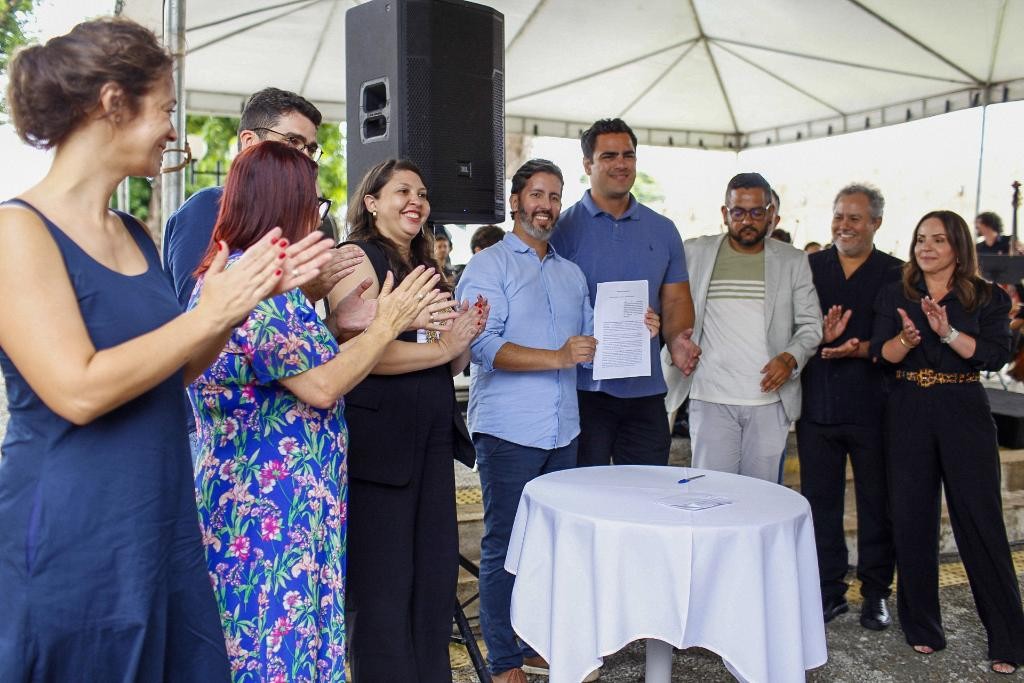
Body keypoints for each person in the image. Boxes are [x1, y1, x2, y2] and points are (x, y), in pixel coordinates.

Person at [0, 18, 331, 681]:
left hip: (160, 517)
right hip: (75, 526)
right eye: (166, 109)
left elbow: (175, 369)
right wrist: (214, 309)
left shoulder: (132, 232)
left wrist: (243, 301)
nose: (174, 131)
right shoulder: (17, 230)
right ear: (113, 104)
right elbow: (78, 389)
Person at [188, 141, 440, 680]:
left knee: (296, 646)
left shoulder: (266, 283)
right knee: (271, 651)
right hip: (266, 510)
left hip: (294, 504)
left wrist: (336, 325)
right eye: (314, 202)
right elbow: (322, 386)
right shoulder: (252, 285)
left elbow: (288, 368)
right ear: (283, 204)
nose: (318, 217)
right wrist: (387, 324)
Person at [458, 159, 644, 683]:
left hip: (564, 429)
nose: (546, 205)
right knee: (504, 544)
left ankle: (534, 642)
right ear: (516, 201)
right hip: (508, 429)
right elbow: (482, 346)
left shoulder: (570, 273)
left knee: (548, 545)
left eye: (555, 196)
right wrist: (558, 356)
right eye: (537, 194)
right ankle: (503, 659)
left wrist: (636, 328)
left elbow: (592, 343)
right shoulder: (488, 266)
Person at [328, 159, 486, 681]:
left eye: (422, 192)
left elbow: (447, 362)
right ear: (371, 202)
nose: (416, 200)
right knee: (383, 589)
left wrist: (462, 338)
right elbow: (360, 353)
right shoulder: (357, 257)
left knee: (432, 582)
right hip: (381, 447)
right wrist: (443, 349)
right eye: (402, 191)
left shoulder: (427, 266)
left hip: (431, 442)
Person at [162, 87, 360, 465]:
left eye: (311, 148)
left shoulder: (281, 232)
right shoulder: (209, 207)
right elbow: (212, 321)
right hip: (226, 436)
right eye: (293, 143)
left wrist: (330, 321)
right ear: (250, 142)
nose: (305, 157)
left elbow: (278, 343)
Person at [872, 210, 1024, 674]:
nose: (926, 247)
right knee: (911, 519)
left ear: (958, 247)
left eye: (938, 239)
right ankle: (922, 626)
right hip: (907, 410)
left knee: (980, 520)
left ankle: (1008, 639)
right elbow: (881, 355)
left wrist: (948, 332)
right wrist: (906, 339)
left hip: (963, 409)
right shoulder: (896, 292)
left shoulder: (987, 296)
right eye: (921, 238)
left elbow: (995, 355)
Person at [550, 118, 697, 467]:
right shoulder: (561, 230)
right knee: (586, 490)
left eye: (628, 155)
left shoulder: (663, 230)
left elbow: (677, 298)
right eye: (609, 156)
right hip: (582, 391)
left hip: (645, 391)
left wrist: (677, 339)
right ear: (587, 164)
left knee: (646, 490)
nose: (621, 164)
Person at [663, 172, 821, 481]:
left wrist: (789, 358)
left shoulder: (792, 261)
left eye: (756, 212)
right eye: (738, 212)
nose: (747, 220)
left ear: (770, 214)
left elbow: (811, 325)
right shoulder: (694, 252)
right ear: (725, 213)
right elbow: (668, 301)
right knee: (711, 493)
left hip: (769, 401)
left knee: (761, 496)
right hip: (710, 398)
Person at [797, 184, 901, 629]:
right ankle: (828, 590)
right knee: (820, 505)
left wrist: (860, 347)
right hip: (817, 405)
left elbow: (901, 341)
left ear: (876, 223)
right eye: (839, 216)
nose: (844, 226)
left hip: (875, 408)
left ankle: (876, 592)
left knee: (878, 505)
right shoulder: (809, 267)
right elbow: (792, 326)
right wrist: (818, 335)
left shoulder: (897, 273)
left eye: (855, 218)